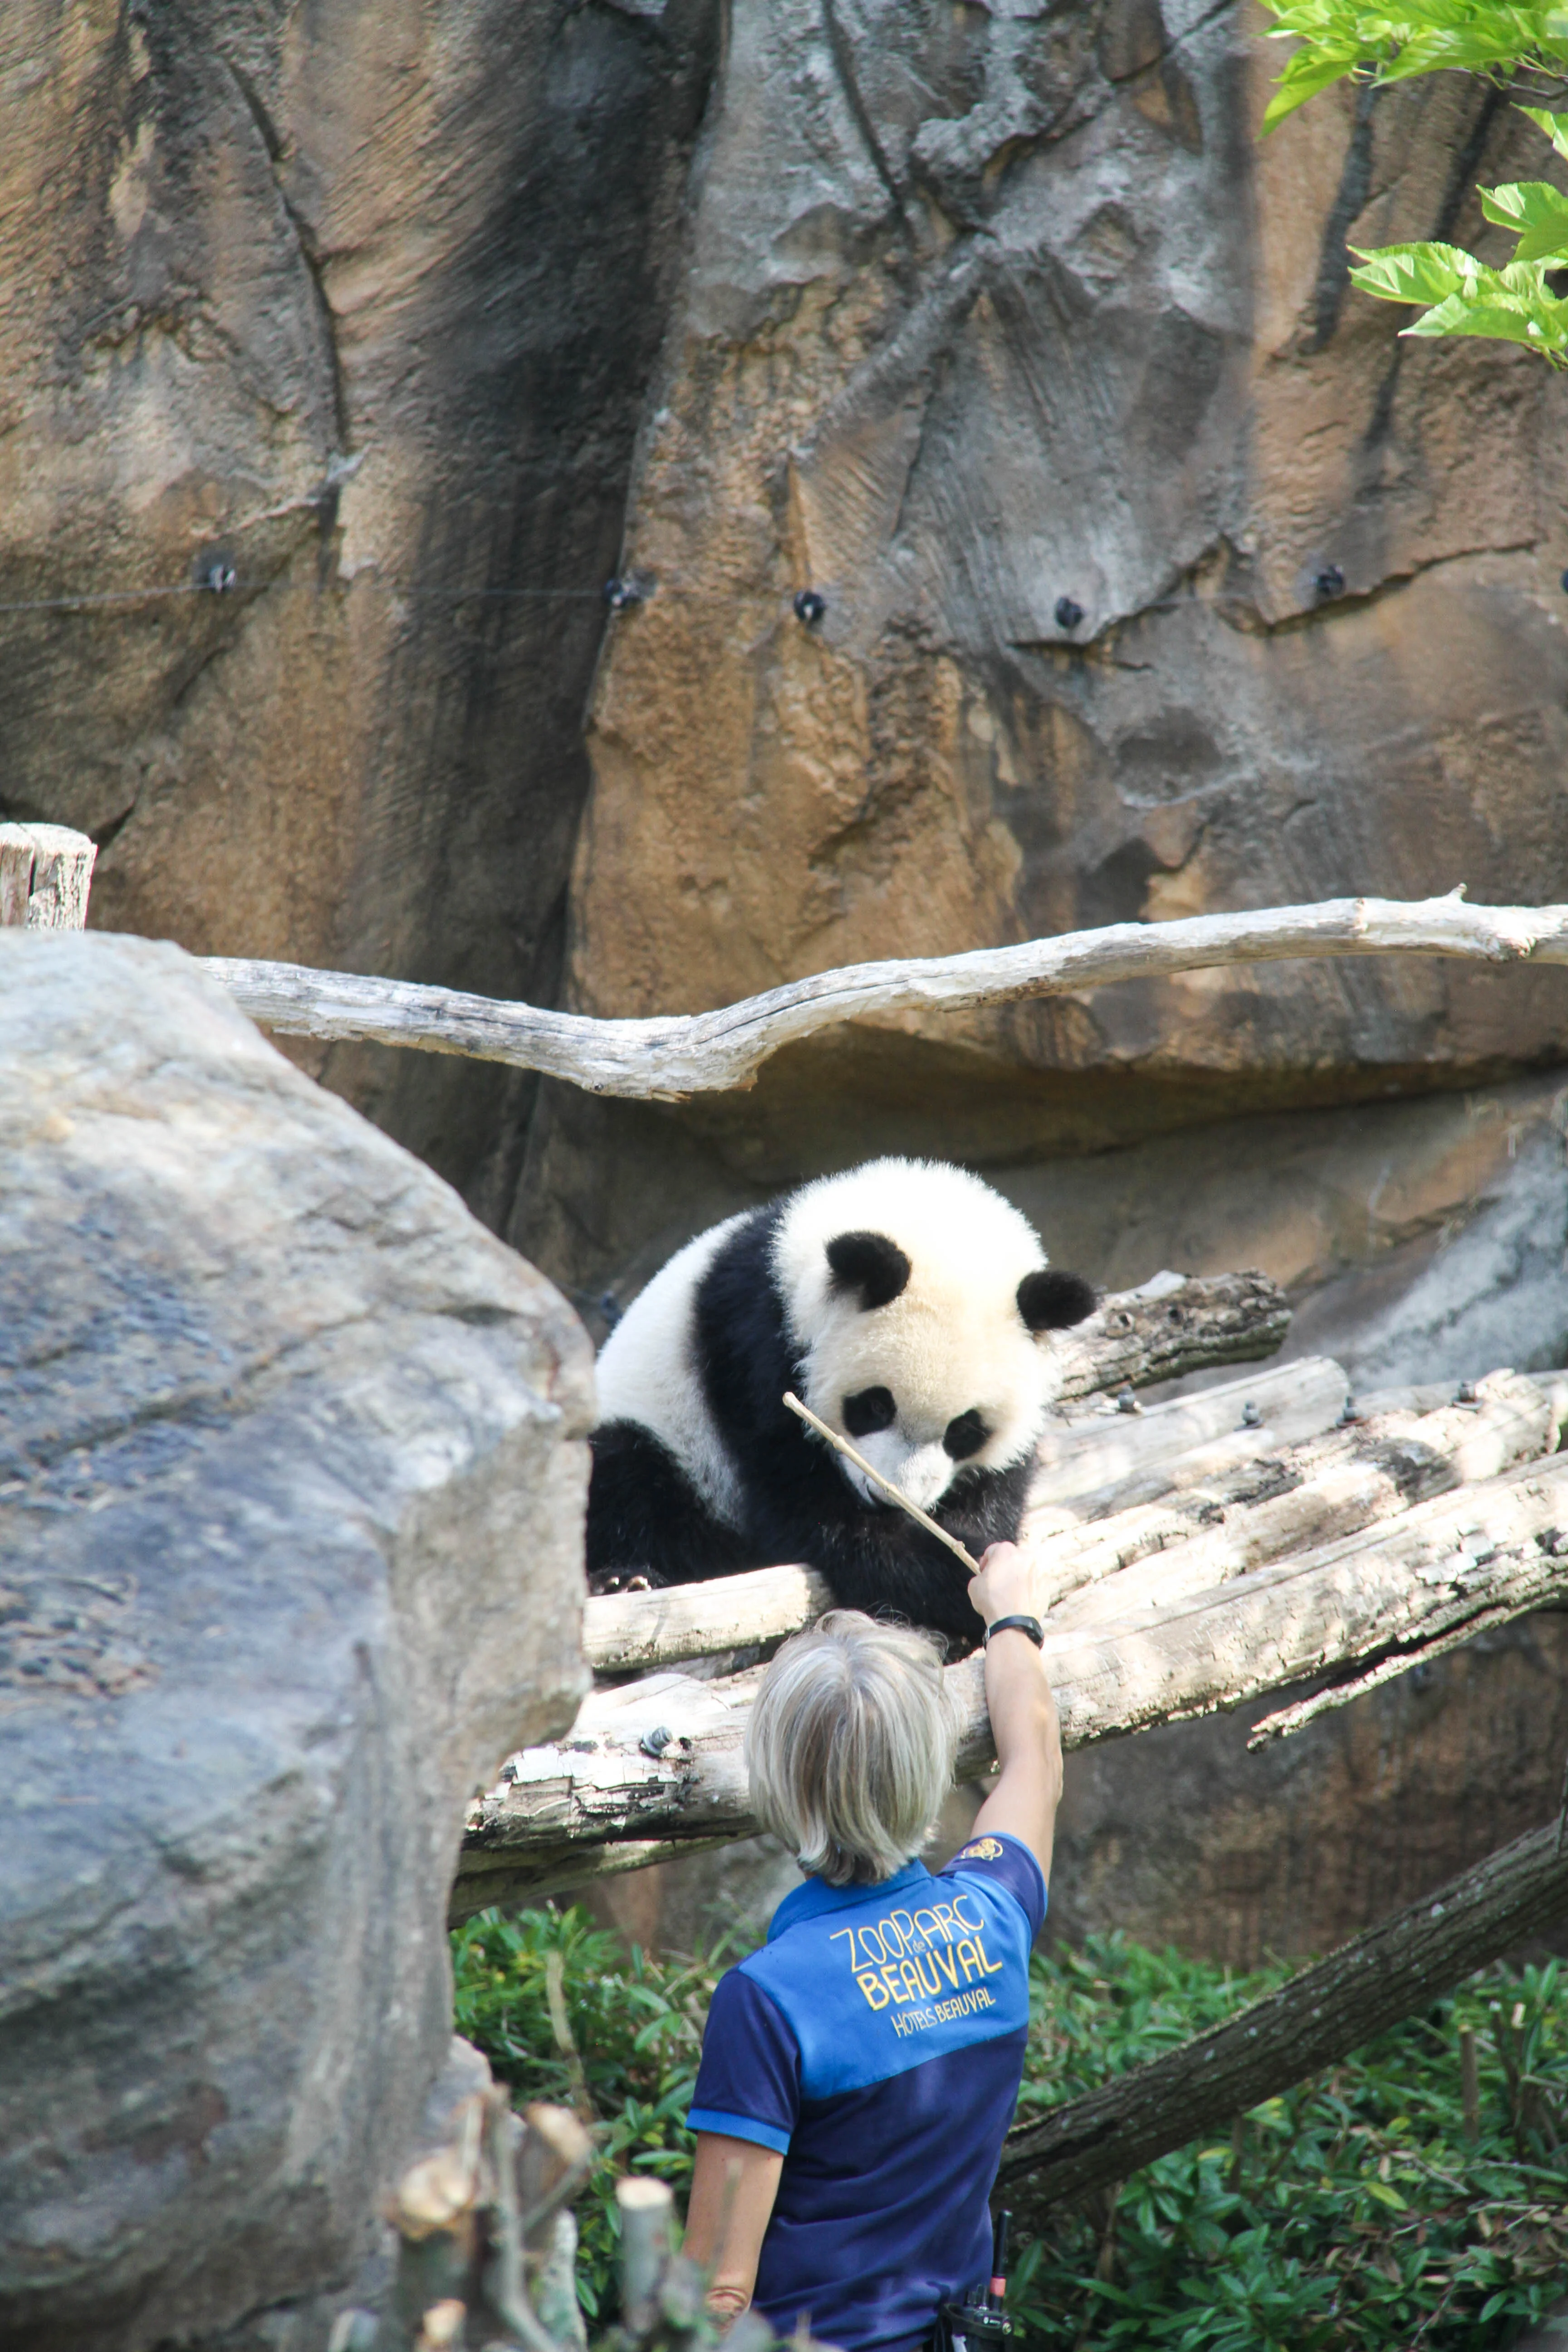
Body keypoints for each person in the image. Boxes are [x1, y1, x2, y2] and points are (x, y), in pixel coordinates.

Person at [681, 1542, 1062, 2352]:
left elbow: (718, 2293)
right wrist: (1010, 1618)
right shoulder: (992, 1918)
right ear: (928, 1766)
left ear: (776, 1779)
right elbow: (1034, 1761)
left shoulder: (768, 1999)